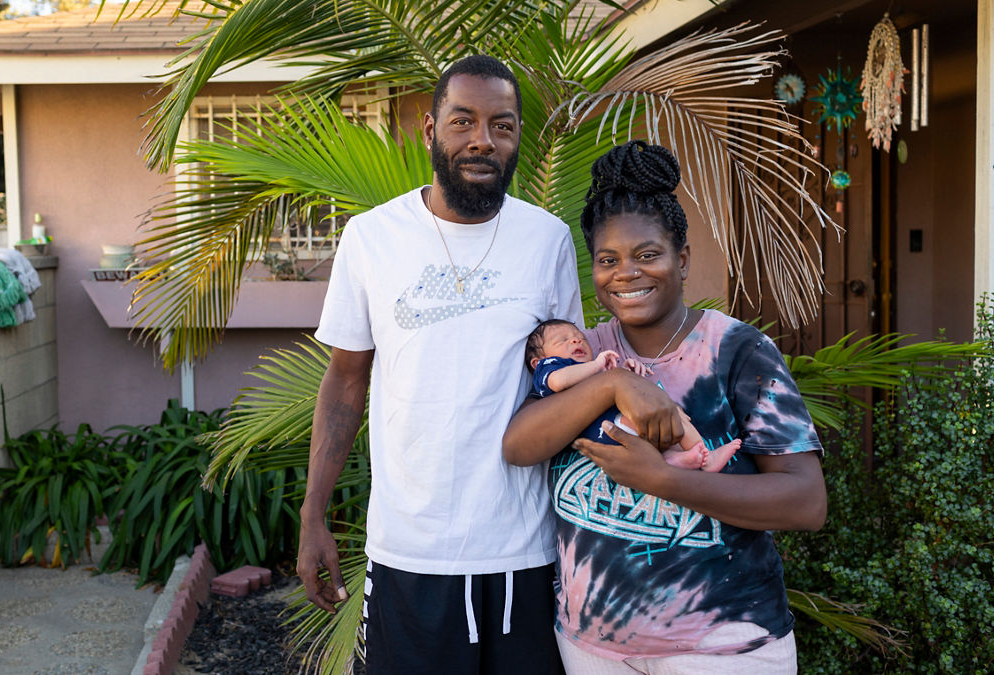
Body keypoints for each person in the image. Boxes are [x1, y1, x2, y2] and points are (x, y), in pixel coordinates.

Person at [300, 54, 583, 674]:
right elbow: (346, 379)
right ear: (431, 131)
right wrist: (313, 513)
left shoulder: (547, 240)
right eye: (464, 121)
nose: (483, 139)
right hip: (409, 551)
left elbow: (565, 382)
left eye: (502, 125)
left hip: (524, 550)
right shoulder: (372, 238)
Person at [503, 140, 827, 674]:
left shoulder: (736, 351)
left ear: (683, 257)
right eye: (608, 260)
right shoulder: (581, 351)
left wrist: (663, 480)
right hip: (592, 649)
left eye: (647, 254)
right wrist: (610, 384)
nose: (626, 273)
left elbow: (805, 502)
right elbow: (518, 444)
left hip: (724, 648)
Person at [525, 318, 740, 472]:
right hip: (607, 430)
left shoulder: (591, 370)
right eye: (562, 340)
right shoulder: (549, 369)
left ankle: (676, 459)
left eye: (580, 338)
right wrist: (598, 365)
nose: (576, 341)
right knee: (665, 414)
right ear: (538, 361)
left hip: (617, 424)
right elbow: (560, 381)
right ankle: (706, 457)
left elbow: (616, 389)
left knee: (667, 417)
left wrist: (626, 371)